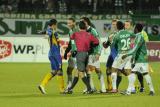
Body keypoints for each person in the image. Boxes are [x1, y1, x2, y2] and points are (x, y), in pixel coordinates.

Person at [65, 21, 99, 94]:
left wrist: (74, 50)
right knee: (77, 73)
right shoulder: (89, 34)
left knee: (81, 73)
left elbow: (71, 40)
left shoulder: (75, 34)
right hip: (87, 54)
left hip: (80, 54)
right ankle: (70, 89)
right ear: (85, 27)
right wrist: (90, 47)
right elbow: (97, 42)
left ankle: (89, 89)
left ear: (79, 27)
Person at [121, 23, 155, 96]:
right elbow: (136, 50)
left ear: (136, 29)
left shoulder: (139, 37)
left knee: (132, 73)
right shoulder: (138, 36)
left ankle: (129, 91)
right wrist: (133, 58)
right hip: (142, 59)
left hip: (140, 59)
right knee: (145, 74)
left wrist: (126, 54)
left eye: (134, 28)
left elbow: (135, 49)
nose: (133, 29)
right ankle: (152, 90)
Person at [38, 19, 64, 94]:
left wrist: (43, 33)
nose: (57, 26)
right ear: (53, 25)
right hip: (55, 53)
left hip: (51, 53)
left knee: (54, 71)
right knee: (60, 71)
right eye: (56, 24)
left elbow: (47, 32)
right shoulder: (52, 30)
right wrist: (46, 35)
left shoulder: (51, 30)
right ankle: (62, 90)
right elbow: (48, 33)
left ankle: (42, 85)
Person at [81, 17, 106, 93]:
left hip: (94, 53)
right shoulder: (83, 31)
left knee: (97, 70)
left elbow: (99, 41)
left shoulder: (92, 30)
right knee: (87, 69)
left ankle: (103, 87)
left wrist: (98, 53)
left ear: (87, 22)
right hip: (88, 53)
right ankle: (92, 87)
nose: (81, 23)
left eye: (83, 22)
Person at [111, 21, 135, 93]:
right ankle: (132, 88)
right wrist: (131, 43)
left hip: (121, 55)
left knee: (113, 69)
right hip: (129, 54)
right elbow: (135, 37)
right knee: (128, 71)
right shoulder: (129, 33)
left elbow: (113, 45)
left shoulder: (117, 35)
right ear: (124, 26)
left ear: (117, 27)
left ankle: (114, 88)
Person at [64, 17, 79, 89]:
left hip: (78, 53)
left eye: (70, 23)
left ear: (74, 23)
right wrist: (67, 51)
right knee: (69, 69)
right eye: (68, 23)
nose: (68, 24)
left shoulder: (77, 30)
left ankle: (90, 87)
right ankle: (69, 85)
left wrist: (76, 50)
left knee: (81, 72)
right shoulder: (70, 31)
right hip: (72, 53)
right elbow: (71, 42)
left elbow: (80, 42)